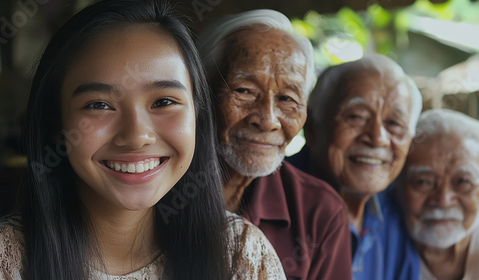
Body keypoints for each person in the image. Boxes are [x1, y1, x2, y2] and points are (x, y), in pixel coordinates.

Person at [0, 1, 286, 279]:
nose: (137, 136)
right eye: (99, 104)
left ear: (197, 116)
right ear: (56, 124)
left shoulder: (243, 257)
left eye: (164, 102)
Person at [198, 9, 352, 280]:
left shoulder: (319, 212)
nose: (268, 120)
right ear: (200, 92)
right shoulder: (153, 190)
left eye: (287, 98)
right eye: (244, 91)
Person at [288, 54, 423, 280]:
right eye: (356, 117)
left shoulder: (401, 214)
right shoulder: (265, 200)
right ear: (310, 127)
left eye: (394, 124)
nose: (378, 138)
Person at [396, 108, 479, 280]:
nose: (443, 200)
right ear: (398, 186)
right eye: (423, 182)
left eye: (463, 182)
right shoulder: (378, 253)